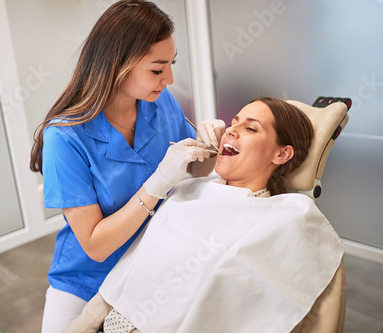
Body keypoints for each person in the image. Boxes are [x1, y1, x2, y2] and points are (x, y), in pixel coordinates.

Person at [63, 97, 345, 333]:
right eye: (234, 122)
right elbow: (121, 284)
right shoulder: (186, 191)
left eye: (251, 129)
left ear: (282, 154)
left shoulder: (286, 216)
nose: (231, 131)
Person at [29, 1, 224, 331]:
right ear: (118, 65)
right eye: (157, 69)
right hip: (87, 278)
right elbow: (96, 246)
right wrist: (158, 183)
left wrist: (211, 148)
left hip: (154, 262)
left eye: (171, 65)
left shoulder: (161, 103)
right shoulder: (64, 136)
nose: (170, 79)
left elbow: (196, 171)